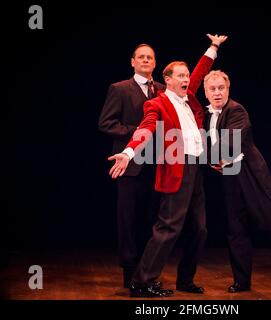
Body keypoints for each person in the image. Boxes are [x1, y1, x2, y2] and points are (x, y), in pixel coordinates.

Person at [108, 34, 228, 297]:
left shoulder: (189, 100)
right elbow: (145, 128)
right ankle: (141, 281)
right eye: (181, 76)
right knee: (169, 227)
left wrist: (213, 47)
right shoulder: (158, 102)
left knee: (200, 229)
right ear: (168, 80)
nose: (186, 80)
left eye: (187, 76)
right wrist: (128, 152)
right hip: (177, 169)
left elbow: (199, 73)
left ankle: (185, 280)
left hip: (196, 169)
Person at [203, 70, 271, 293]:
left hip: (249, 172)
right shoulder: (206, 115)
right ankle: (242, 282)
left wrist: (212, 157)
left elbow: (230, 141)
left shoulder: (236, 110)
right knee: (236, 228)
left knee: (269, 218)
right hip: (230, 176)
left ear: (228, 89)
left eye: (221, 88)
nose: (217, 93)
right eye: (212, 89)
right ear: (205, 92)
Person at [98, 44, 165, 288]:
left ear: (155, 63)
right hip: (129, 164)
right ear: (133, 62)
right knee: (128, 219)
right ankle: (129, 271)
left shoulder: (162, 90)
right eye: (141, 57)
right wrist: (134, 131)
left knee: (152, 219)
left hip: (157, 164)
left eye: (150, 57)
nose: (146, 60)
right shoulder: (120, 89)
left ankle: (146, 273)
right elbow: (106, 123)